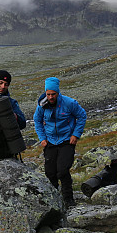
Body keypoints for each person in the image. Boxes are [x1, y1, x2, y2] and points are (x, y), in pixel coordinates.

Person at [33, 76, 87, 207]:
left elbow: (82, 116)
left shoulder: (69, 103)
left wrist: (76, 134)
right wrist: (42, 139)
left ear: (58, 93)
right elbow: (37, 121)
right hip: (50, 142)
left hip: (66, 141)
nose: (51, 97)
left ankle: (68, 199)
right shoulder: (42, 104)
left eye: (53, 94)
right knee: (50, 173)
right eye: (48, 94)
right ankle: (54, 198)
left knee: (62, 171)